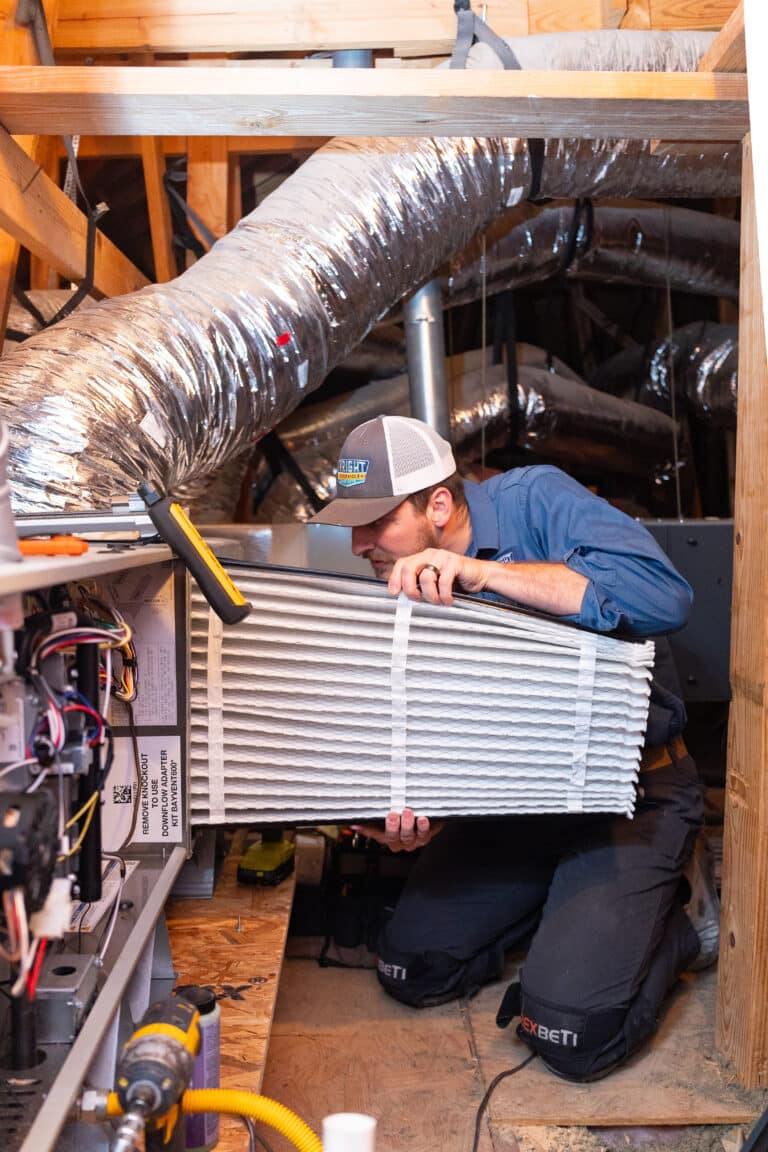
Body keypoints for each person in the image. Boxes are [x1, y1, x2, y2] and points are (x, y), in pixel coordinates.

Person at [310, 414, 718, 1082]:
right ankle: (570, 912)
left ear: (438, 506)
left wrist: (481, 574)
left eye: (377, 522)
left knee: (569, 1032)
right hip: (521, 801)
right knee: (409, 966)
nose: (359, 545)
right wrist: (421, 818)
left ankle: (671, 925)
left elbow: (666, 596)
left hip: (632, 796)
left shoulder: (536, 501)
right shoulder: (399, 580)